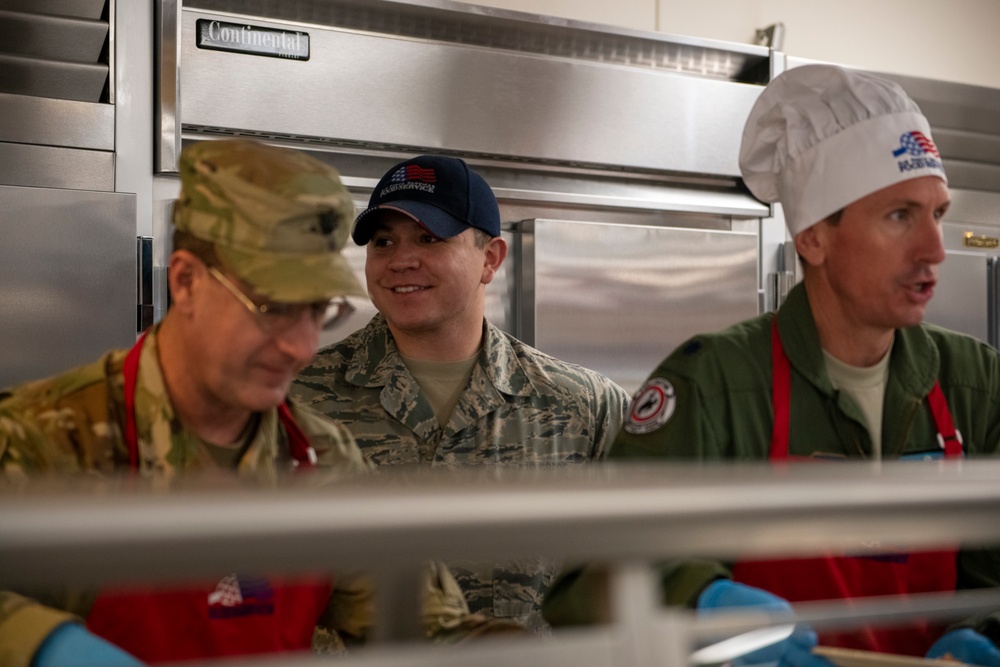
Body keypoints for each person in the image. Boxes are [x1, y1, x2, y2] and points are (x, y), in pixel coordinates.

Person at [543, 65, 1000, 666]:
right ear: (812, 237)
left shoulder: (976, 382)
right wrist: (700, 603)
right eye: (899, 216)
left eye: (937, 214)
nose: (935, 249)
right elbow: (590, 582)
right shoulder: (714, 383)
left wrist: (986, 629)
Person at [0, 139, 482, 666]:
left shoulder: (318, 459)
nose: (301, 346)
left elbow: (430, 626)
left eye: (317, 309)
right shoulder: (45, 438)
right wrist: (41, 644)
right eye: (272, 306)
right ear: (186, 282)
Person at [293, 154, 631, 631]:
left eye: (429, 238)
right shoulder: (298, 398)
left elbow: (631, 579)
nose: (400, 260)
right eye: (383, 242)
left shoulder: (584, 406)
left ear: (490, 259)